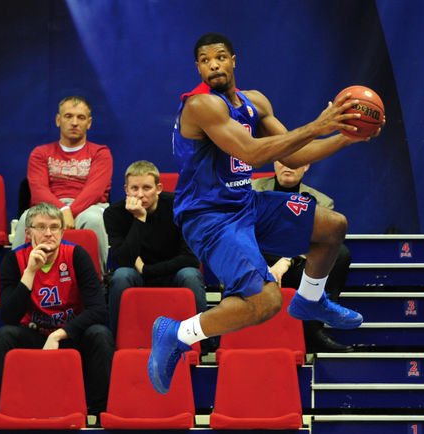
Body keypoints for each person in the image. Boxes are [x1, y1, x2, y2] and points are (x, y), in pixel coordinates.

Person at [148, 32, 383, 394]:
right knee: (266, 301)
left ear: (233, 60)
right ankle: (177, 333)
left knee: (332, 227)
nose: (213, 65)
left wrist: (344, 136)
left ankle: (310, 299)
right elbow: (253, 153)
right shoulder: (201, 106)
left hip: (245, 204)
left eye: (220, 57)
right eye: (205, 60)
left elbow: (292, 156)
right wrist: (319, 125)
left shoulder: (254, 102)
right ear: (198, 68)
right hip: (209, 218)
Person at [0, 202, 114, 417]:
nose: (48, 233)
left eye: (54, 227)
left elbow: (98, 310)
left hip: (70, 335)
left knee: (100, 334)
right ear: (28, 233)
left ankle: (102, 412)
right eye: (41, 227)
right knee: (4, 336)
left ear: (62, 232)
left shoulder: (76, 255)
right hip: (34, 333)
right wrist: (30, 272)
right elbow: (9, 316)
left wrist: (58, 335)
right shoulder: (14, 260)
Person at [252, 161, 353, 352]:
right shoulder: (251, 190)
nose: (288, 166)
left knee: (339, 254)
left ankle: (313, 331)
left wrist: (286, 260)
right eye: (283, 160)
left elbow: (319, 243)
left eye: (295, 161)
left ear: (306, 165)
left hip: (296, 266)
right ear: (274, 162)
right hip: (256, 260)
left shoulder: (321, 202)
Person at [104, 160, 206, 336]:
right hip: (137, 276)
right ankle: (115, 341)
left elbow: (191, 259)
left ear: (158, 189)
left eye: (147, 188)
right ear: (126, 190)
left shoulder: (179, 207)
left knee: (190, 275)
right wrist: (139, 219)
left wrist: (147, 270)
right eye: (134, 188)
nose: (140, 195)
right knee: (121, 276)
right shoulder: (114, 213)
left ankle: (202, 343)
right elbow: (123, 260)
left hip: (173, 274)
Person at [12, 96, 112, 273]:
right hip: (49, 206)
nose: (74, 122)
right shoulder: (40, 153)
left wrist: (70, 212)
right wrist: (62, 212)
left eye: (81, 117)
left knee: (94, 220)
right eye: (68, 116)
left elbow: (95, 191)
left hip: (89, 206)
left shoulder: (100, 153)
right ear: (58, 120)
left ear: (89, 123)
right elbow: (39, 191)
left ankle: (98, 280)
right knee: (25, 219)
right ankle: (17, 278)